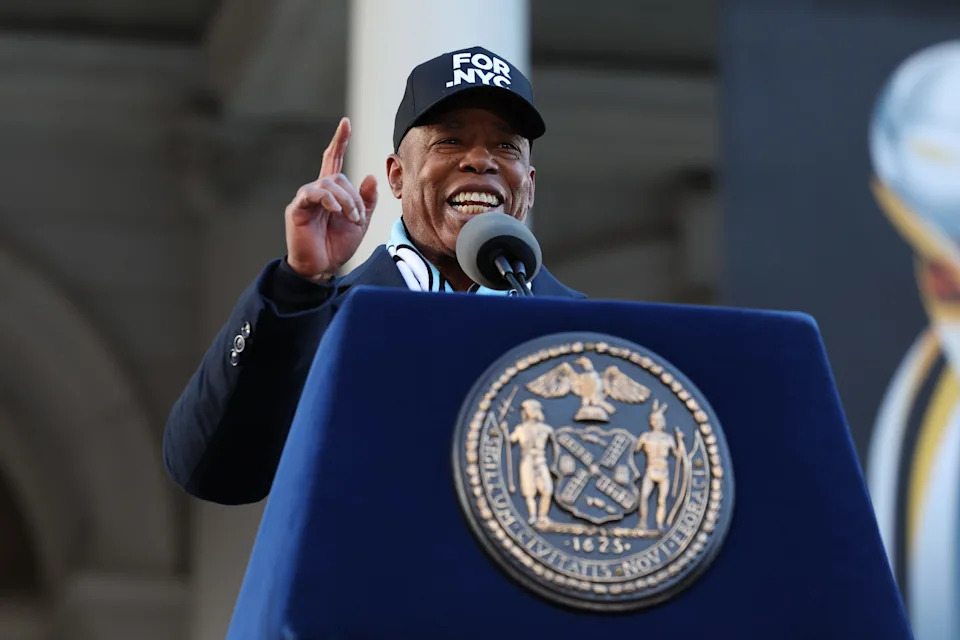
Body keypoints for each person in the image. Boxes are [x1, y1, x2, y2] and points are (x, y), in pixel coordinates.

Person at [162, 46, 584, 505]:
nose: (480, 160)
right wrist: (299, 283)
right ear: (397, 176)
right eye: (450, 140)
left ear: (530, 183)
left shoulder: (584, 331)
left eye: (506, 145)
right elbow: (213, 470)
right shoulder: (314, 316)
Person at [510, 399, 555, 526]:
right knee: (529, 491)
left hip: (541, 461)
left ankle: (542, 516)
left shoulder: (547, 429)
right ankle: (532, 516)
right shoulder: (520, 429)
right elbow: (510, 440)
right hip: (527, 461)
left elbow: (557, 447)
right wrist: (499, 431)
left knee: (547, 490)